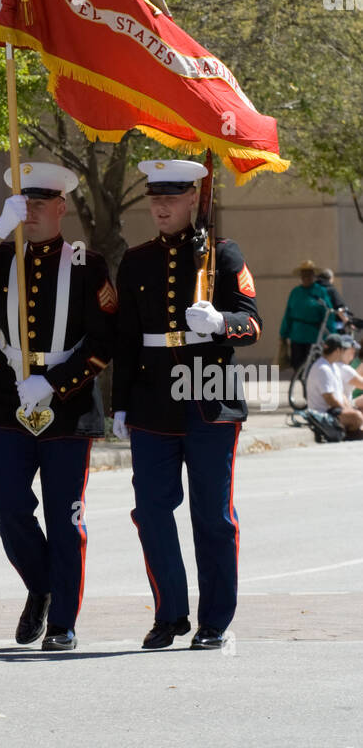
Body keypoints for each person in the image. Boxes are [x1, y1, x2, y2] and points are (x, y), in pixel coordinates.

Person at [0, 161, 116, 653]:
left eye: (41, 203)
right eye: (25, 204)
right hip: (11, 399)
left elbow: (103, 341)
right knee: (6, 503)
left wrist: (55, 382)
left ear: (61, 207)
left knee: (65, 517)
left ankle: (62, 621)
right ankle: (42, 584)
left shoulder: (88, 264)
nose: (32, 211)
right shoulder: (3, 256)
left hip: (68, 403)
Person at [112, 159, 262, 651]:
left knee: (212, 516)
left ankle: (214, 620)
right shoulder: (136, 261)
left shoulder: (223, 253)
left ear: (194, 199)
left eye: (171, 198)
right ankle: (170, 613)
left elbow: (251, 323)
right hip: (152, 399)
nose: (160, 207)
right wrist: (119, 404)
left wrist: (219, 324)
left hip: (209, 397)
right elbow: (126, 339)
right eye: (155, 198)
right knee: (151, 512)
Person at [305, 333, 363, 435]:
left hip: (334, 410)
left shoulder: (333, 366)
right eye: (342, 349)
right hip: (324, 413)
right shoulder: (323, 368)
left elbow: (341, 394)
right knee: (357, 417)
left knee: (356, 415)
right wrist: (345, 411)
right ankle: (345, 432)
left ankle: (349, 431)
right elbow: (329, 398)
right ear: (337, 351)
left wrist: (349, 409)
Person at [279, 261, 332, 370]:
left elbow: (328, 314)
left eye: (309, 274)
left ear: (313, 275)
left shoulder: (320, 291)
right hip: (297, 335)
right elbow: (288, 314)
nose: (306, 277)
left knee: (313, 366)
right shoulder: (295, 292)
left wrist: (330, 335)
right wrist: (283, 334)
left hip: (314, 336)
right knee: (297, 365)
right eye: (304, 275)